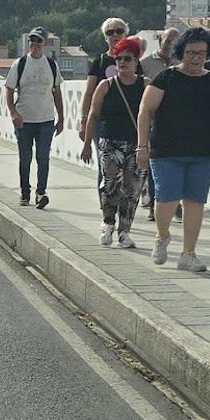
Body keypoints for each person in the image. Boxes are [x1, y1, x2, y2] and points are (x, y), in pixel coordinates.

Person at [136, 27, 210, 273]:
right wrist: (142, 145)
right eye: (191, 52)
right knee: (167, 198)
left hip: (204, 151)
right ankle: (162, 237)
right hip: (166, 151)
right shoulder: (166, 78)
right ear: (181, 52)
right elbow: (145, 111)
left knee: (195, 201)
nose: (196, 58)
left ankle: (188, 253)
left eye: (201, 53)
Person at [80, 37, 148, 248]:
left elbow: (153, 116)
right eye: (118, 59)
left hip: (136, 145)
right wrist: (86, 143)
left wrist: (148, 145)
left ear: (136, 60)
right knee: (110, 185)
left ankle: (124, 232)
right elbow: (93, 115)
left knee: (132, 189)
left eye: (127, 58)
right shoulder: (106, 85)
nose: (122, 63)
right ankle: (108, 223)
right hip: (110, 143)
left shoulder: (146, 85)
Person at [79, 18, 144, 201]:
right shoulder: (99, 62)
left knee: (129, 170)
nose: (115, 35)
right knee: (106, 167)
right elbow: (89, 93)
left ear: (126, 33)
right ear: (105, 37)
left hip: (131, 123)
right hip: (104, 122)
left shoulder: (134, 60)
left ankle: (123, 208)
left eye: (119, 30)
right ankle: (107, 209)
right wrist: (84, 121)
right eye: (110, 32)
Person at [4, 27, 65, 209]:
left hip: (45, 120)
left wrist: (61, 118)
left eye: (38, 40)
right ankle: (25, 192)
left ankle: (41, 192)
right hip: (24, 120)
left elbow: (57, 92)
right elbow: (8, 89)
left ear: (44, 43)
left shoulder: (52, 65)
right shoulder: (20, 64)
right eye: (32, 40)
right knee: (25, 158)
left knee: (43, 157)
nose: (35, 44)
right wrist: (13, 113)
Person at [139, 27, 179, 220]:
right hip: (154, 121)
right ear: (160, 39)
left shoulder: (181, 64)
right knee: (156, 164)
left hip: (177, 122)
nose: (171, 45)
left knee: (178, 163)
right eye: (168, 41)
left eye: (175, 42)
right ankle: (154, 203)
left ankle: (176, 203)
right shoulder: (145, 63)